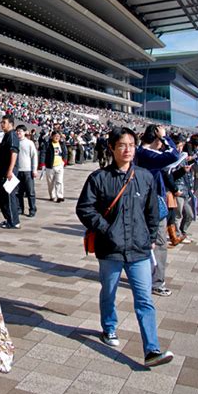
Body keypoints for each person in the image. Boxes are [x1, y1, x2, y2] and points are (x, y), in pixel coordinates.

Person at [76, 126, 174, 368]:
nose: (127, 149)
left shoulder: (144, 176)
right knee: (108, 291)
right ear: (112, 148)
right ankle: (109, 327)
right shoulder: (99, 178)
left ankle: (152, 349)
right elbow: (84, 208)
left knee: (144, 299)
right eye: (122, 144)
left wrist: (151, 236)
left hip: (139, 249)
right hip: (110, 249)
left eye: (131, 144)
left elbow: (153, 211)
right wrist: (106, 229)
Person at [135, 125, 181, 297]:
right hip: (152, 204)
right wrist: (165, 137)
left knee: (147, 241)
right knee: (159, 243)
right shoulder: (148, 154)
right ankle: (156, 281)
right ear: (156, 140)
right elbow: (174, 154)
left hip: (142, 202)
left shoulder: (139, 153)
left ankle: (145, 277)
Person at [0, 115, 20, 229]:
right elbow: (2, 155)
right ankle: (9, 218)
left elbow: (14, 154)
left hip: (8, 172)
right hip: (2, 171)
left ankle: (14, 221)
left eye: (4, 122)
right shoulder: (6, 136)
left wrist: (10, 170)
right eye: (1, 122)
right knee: (0, 196)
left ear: (11, 124)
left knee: (8, 197)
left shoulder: (12, 136)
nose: (2, 124)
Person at [15, 125, 38, 217]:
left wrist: (34, 169)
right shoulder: (15, 142)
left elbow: (34, 157)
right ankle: (19, 208)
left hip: (27, 171)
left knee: (30, 192)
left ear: (25, 132)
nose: (18, 133)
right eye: (17, 131)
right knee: (18, 192)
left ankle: (32, 209)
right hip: (17, 171)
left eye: (20, 131)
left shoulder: (29, 143)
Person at [42, 131, 67, 203]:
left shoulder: (61, 144)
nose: (57, 137)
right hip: (50, 166)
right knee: (50, 182)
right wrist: (42, 163)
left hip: (59, 165)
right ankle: (52, 196)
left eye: (58, 136)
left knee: (59, 181)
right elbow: (43, 153)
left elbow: (65, 153)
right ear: (52, 136)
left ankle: (60, 196)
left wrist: (64, 161)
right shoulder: (47, 144)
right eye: (55, 136)